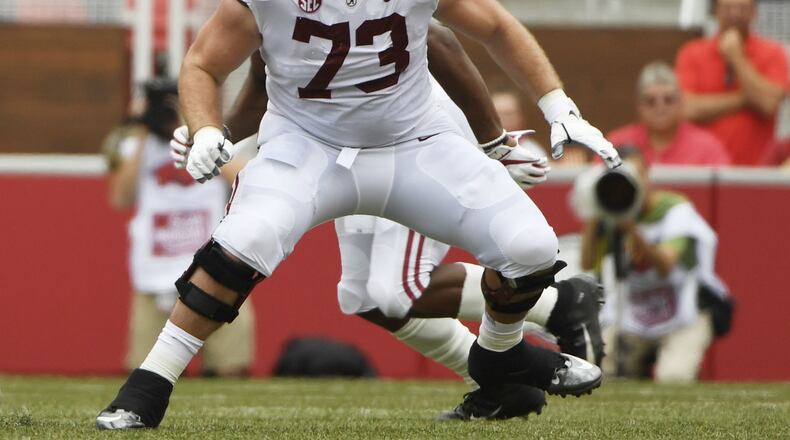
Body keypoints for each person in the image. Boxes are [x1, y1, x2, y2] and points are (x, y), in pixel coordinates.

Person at [97, 0, 621, 429]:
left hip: (415, 141)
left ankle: (500, 355)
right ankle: (148, 386)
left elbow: (491, 29)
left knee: (530, 246)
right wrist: (211, 128)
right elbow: (207, 64)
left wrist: (555, 109)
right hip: (308, 145)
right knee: (248, 243)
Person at [103, 79, 256, 378]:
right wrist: (145, 129)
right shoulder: (135, 144)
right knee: (148, 372)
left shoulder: (212, 141)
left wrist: (196, 133)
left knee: (231, 369)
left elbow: (244, 179)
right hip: (153, 275)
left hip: (214, 270)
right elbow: (120, 196)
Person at [576, 147, 732, 383]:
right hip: (635, 316)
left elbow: (665, 265)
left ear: (647, 175)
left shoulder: (675, 208)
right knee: (593, 361)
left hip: (684, 313)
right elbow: (587, 262)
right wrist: (595, 210)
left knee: (674, 376)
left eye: (635, 175)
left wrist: (630, 227)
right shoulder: (610, 213)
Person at [675, 0, 788, 165]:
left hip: (757, 169)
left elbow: (768, 103)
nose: (735, 14)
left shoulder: (773, 53)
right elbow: (686, 109)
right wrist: (745, 98)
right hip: (701, 168)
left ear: (754, 12)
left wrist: (736, 57)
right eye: (728, 8)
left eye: (742, 8)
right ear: (716, 11)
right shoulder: (692, 53)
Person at [608, 61, 731, 166]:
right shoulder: (615, 144)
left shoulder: (707, 148)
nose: (660, 107)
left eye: (668, 100)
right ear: (639, 106)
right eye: (651, 101)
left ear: (681, 102)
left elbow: (726, 190)